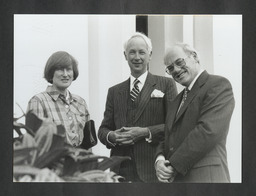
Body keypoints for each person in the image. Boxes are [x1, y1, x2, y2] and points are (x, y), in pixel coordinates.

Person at [98, 32, 178, 182]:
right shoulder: (114, 91)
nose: (137, 57)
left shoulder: (166, 84)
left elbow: (174, 126)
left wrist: (146, 132)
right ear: (125, 55)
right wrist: (112, 136)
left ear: (150, 55)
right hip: (120, 170)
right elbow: (103, 130)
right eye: (132, 52)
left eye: (142, 52)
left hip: (153, 169)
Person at [155, 43, 235, 183]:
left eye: (179, 62)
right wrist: (160, 159)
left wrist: (173, 164)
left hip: (206, 178)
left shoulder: (218, 85)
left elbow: (208, 131)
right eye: (170, 68)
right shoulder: (176, 101)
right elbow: (167, 135)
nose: (176, 70)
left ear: (195, 57)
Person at [26, 51, 90, 147]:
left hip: (79, 160)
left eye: (68, 69)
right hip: (52, 160)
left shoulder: (80, 102)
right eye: (60, 69)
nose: (65, 74)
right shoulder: (38, 101)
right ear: (51, 73)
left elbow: (87, 143)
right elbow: (33, 144)